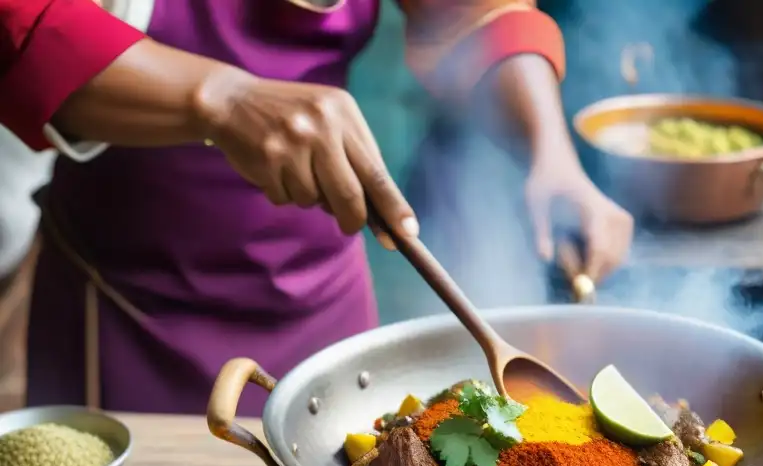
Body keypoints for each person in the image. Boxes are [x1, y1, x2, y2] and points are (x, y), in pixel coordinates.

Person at [0, 0, 633, 416]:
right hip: (132, 310)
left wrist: (551, 155)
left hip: (325, 290)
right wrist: (223, 98)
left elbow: (471, 14)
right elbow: (24, 28)